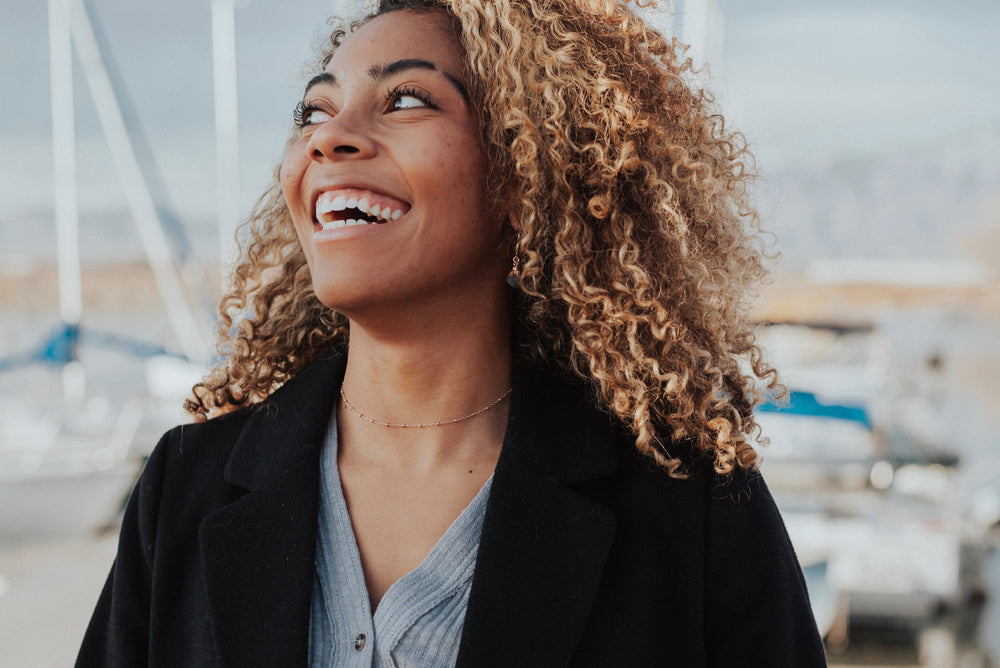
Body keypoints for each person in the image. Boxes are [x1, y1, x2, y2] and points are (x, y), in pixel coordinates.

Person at [77, 0, 827, 665]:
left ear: (524, 176)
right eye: (314, 111)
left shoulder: (691, 514)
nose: (329, 139)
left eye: (405, 99)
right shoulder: (186, 488)